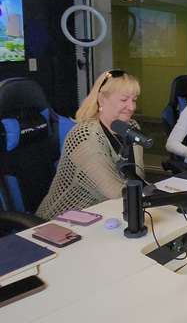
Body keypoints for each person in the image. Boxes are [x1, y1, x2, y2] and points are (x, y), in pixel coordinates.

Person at [36, 69, 143, 220]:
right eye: (124, 100)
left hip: (106, 215)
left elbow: (138, 178)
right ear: (102, 99)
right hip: (61, 222)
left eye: (134, 100)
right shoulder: (85, 135)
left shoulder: (131, 127)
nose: (132, 107)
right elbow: (116, 193)